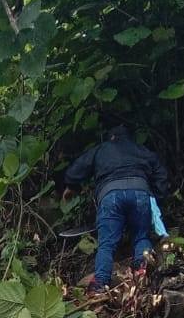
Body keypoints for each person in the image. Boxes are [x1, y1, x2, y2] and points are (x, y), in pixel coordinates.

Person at [64, 124, 170, 291]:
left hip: (110, 195)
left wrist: (71, 186)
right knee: (141, 236)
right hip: (140, 192)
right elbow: (161, 173)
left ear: (111, 138)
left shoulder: (101, 149)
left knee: (106, 244)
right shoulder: (141, 149)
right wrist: (157, 197)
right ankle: (142, 273)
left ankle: (100, 285)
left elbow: (77, 168)